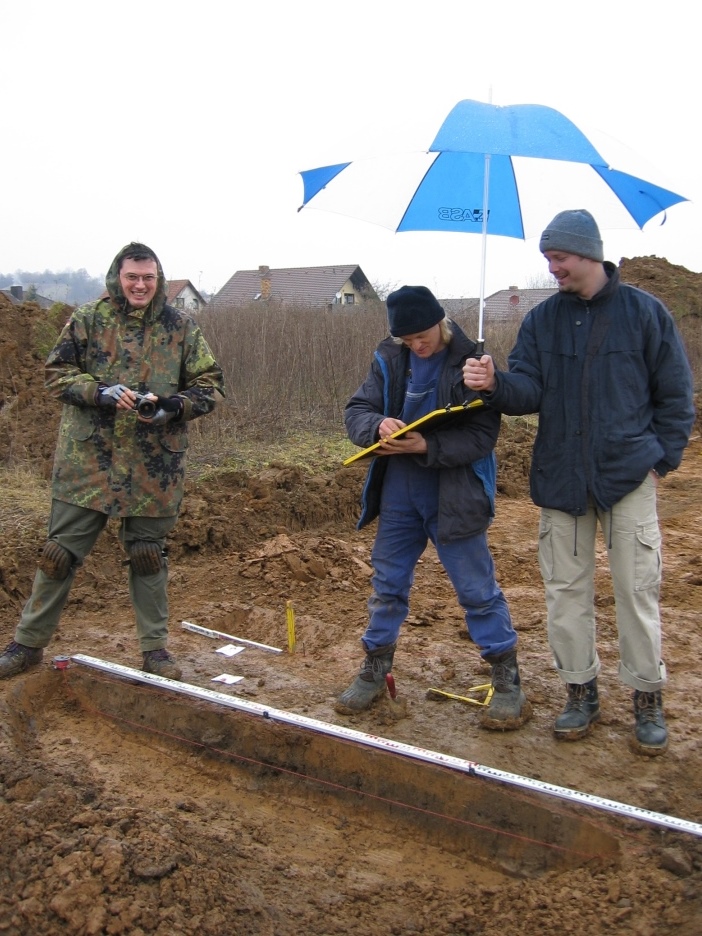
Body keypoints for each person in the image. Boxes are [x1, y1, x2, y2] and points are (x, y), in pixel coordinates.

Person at [463, 209, 695, 756]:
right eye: (548, 260)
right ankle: (580, 692)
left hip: (626, 479)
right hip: (561, 481)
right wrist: (493, 383)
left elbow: (676, 394)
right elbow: (527, 394)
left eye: (558, 258)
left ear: (587, 252)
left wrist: (661, 461)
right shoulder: (541, 321)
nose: (553, 269)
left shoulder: (645, 313)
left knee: (636, 593)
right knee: (565, 595)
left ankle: (647, 698)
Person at [0, 242, 225, 682]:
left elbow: (211, 386)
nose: (140, 285)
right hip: (88, 463)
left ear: (158, 279)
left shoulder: (181, 326)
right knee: (58, 555)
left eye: (148, 278)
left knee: (147, 556)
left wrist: (174, 406)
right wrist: (98, 392)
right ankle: (27, 644)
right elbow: (55, 373)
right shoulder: (89, 319)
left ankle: (154, 652)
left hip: (153, 465)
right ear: (117, 278)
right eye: (132, 277)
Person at [336, 285, 531, 730]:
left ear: (440, 322)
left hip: (454, 492)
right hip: (399, 493)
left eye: (422, 337)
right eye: (408, 341)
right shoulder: (389, 358)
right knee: (387, 585)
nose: (416, 346)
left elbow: (482, 437)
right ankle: (374, 668)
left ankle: (507, 680)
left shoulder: (472, 361)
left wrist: (427, 443)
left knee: (476, 589)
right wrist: (376, 425)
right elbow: (356, 409)